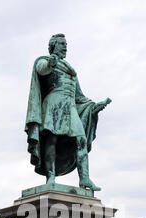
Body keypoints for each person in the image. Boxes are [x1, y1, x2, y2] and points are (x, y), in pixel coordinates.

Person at [25, 33, 111, 192]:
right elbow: (42, 69)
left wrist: (93, 107)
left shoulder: (71, 70)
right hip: (53, 105)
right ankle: (51, 176)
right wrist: (50, 64)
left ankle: (84, 177)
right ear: (53, 46)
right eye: (62, 44)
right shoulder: (45, 61)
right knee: (51, 141)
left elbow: (79, 97)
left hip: (70, 107)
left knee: (81, 140)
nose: (65, 47)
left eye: (66, 44)